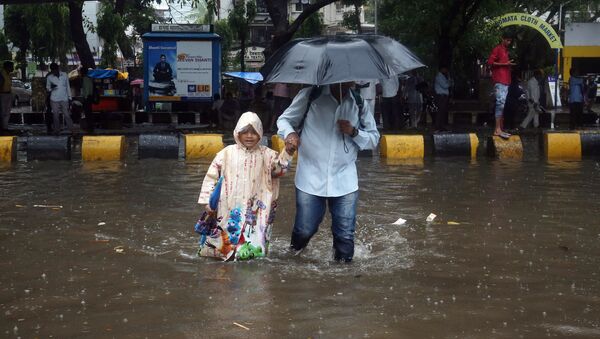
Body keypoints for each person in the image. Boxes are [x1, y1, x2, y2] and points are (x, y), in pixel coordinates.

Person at [277, 82, 380, 263]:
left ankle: (343, 282)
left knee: (345, 237)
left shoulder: (358, 102)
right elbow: (284, 120)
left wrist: (354, 131)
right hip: (310, 176)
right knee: (304, 230)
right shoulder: (310, 95)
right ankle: (291, 259)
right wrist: (290, 134)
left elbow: (374, 139)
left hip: (345, 179)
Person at [197, 111, 295, 260]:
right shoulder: (226, 153)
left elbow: (280, 169)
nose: (249, 136)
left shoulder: (267, 155)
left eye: (254, 132)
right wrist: (207, 202)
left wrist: (288, 151)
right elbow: (211, 177)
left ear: (260, 134)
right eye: (245, 132)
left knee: (252, 253)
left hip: (256, 210)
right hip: (228, 206)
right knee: (220, 247)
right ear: (238, 133)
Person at [487, 32, 516, 139]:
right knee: (500, 103)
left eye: (510, 41)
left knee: (502, 104)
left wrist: (508, 65)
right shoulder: (497, 49)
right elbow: (490, 62)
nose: (508, 42)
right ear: (502, 39)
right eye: (507, 40)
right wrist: (505, 64)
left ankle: (500, 128)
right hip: (499, 80)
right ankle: (497, 129)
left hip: (506, 80)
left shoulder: (505, 51)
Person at [46, 62, 73, 134]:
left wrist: (70, 98)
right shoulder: (49, 77)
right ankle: (57, 130)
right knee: (56, 116)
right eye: (52, 71)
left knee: (67, 114)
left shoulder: (64, 75)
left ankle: (71, 129)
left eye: (54, 70)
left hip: (64, 98)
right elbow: (47, 88)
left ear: (58, 69)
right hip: (54, 99)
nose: (53, 72)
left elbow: (68, 87)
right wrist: (51, 87)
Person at [434, 65, 451, 132]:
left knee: (442, 112)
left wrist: (448, 81)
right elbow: (445, 86)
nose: (446, 71)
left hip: (443, 96)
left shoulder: (442, 76)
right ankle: (438, 127)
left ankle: (441, 126)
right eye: (445, 69)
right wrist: (449, 82)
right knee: (440, 112)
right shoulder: (439, 76)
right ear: (442, 69)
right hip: (441, 96)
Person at [80, 67, 96, 133]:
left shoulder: (85, 79)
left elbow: (86, 90)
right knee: (89, 113)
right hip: (90, 97)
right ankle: (90, 127)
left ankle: (90, 128)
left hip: (87, 98)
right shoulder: (89, 78)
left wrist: (85, 98)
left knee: (88, 114)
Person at [0, 60, 14, 134]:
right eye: (12, 66)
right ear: (7, 67)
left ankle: (5, 127)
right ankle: (2, 128)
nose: (13, 68)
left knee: (7, 112)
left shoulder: (8, 75)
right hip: (3, 95)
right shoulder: (1, 74)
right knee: (3, 112)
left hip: (8, 94)